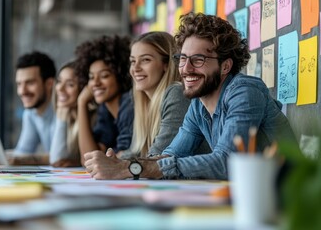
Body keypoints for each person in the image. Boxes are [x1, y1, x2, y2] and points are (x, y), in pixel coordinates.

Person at [85, 12, 299, 180]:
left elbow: (227, 162)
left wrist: (132, 168)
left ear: (225, 66)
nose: (186, 69)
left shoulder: (245, 92)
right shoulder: (198, 106)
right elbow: (170, 155)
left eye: (198, 60)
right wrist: (123, 166)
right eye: (182, 58)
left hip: (290, 201)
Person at [83, 31, 197, 179]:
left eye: (145, 60)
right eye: (132, 61)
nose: (135, 68)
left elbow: (156, 161)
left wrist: (116, 163)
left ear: (166, 64)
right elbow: (136, 153)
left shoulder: (176, 93)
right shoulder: (143, 102)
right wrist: (112, 161)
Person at [0, 51, 56, 165]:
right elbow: (23, 151)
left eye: (30, 83)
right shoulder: (30, 114)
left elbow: (63, 156)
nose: (22, 91)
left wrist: (22, 160)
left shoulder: (64, 110)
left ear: (49, 84)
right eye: (19, 84)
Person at [75, 35, 134, 166]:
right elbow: (88, 160)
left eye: (104, 76)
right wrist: (81, 102)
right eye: (91, 77)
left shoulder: (129, 104)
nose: (95, 83)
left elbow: (123, 160)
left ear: (121, 75)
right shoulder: (105, 110)